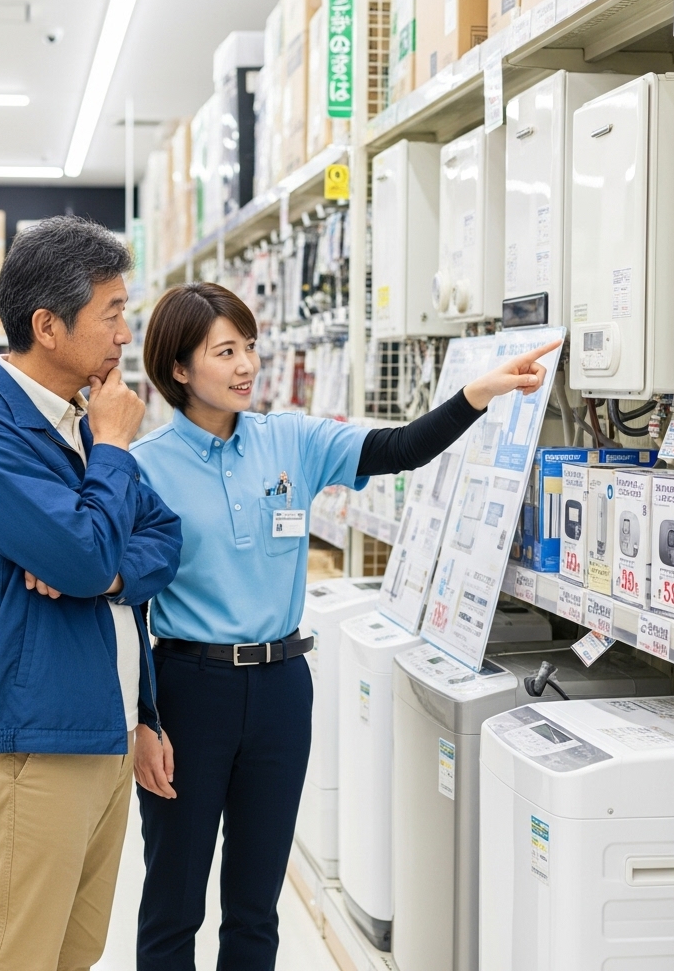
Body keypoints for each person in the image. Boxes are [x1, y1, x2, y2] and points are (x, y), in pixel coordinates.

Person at [123, 282, 557, 971]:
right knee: (174, 903)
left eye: (251, 348)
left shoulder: (290, 438)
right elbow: (131, 610)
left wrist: (479, 393)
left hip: (281, 692)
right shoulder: (143, 467)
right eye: (225, 351)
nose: (246, 366)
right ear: (179, 368)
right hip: (188, 691)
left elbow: (400, 448)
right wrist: (144, 722)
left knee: (256, 906)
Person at [0, 217, 183, 971]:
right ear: (48, 324)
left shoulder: (78, 420)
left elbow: (163, 540)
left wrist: (103, 569)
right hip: (34, 742)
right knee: (17, 955)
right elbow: (82, 553)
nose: (124, 332)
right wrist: (110, 457)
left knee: (76, 954)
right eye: (111, 312)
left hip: (103, 729)